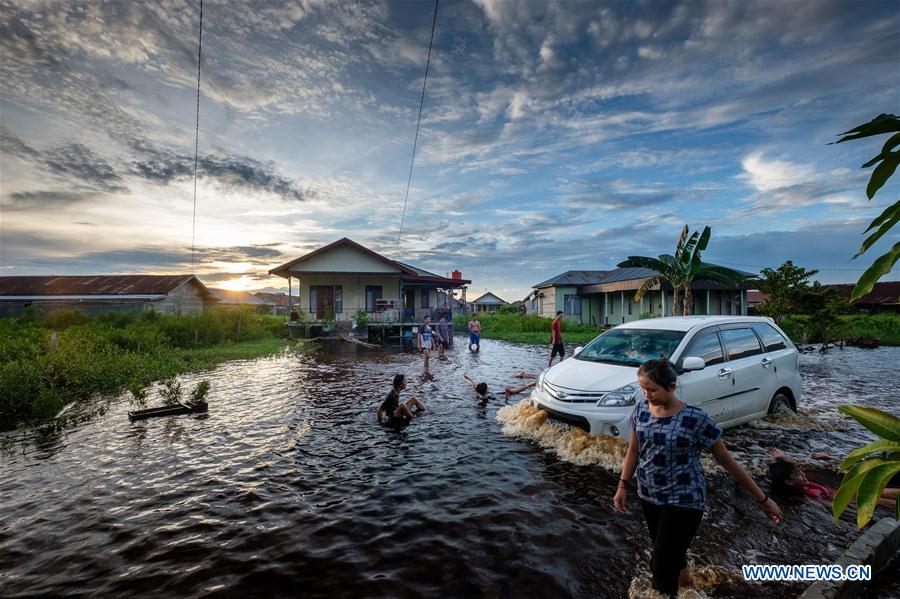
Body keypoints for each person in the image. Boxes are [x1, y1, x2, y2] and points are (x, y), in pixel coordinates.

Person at [614, 358, 781, 598]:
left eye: (652, 389)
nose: (646, 394)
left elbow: (727, 462)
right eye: (643, 389)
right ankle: (687, 588)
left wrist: (762, 499)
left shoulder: (695, 418)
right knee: (673, 554)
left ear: (671, 387)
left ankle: (668, 592)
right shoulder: (641, 409)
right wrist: (623, 485)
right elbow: (634, 451)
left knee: (660, 569)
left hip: (684, 500)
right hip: (649, 496)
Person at [767, 448, 900, 508]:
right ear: (789, 482)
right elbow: (836, 502)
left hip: (849, 493)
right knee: (889, 500)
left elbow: (794, 467)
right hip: (852, 498)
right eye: (798, 474)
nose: (802, 473)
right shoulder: (810, 493)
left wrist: (782, 457)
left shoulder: (801, 484)